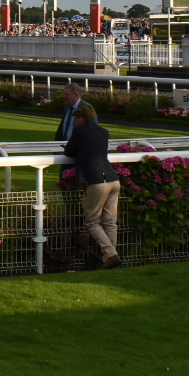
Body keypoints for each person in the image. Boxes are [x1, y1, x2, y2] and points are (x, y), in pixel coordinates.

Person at [63, 104, 121, 268]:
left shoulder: (79, 131)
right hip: (113, 179)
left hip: (96, 181)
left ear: (81, 118)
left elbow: (69, 151)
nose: (75, 121)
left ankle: (111, 254)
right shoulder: (104, 132)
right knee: (110, 222)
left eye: (76, 118)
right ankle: (109, 259)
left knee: (92, 222)